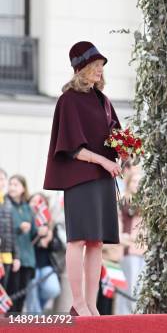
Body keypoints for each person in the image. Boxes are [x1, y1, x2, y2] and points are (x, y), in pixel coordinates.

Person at [43, 41, 122, 316]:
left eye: (101, 66)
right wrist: (103, 160)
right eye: (95, 66)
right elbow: (73, 148)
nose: (100, 70)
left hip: (101, 179)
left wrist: (126, 148)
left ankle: (90, 304)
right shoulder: (69, 101)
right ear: (82, 69)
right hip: (80, 179)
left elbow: (114, 136)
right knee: (78, 239)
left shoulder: (103, 100)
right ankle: (77, 302)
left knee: (96, 241)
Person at [6, 175, 47, 313]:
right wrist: (19, 229)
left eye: (16, 184)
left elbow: (34, 233)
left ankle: (17, 326)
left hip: (28, 259)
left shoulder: (27, 208)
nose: (12, 187)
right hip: (12, 258)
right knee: (11, 296)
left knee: (21, 299)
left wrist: (41, 231)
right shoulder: (5, 205)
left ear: (23, 188)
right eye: (10, 184)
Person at [25, 193, 62, 313]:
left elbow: (57, 246)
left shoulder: (50, 223)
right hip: (30, 264)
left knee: (53, 289)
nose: (36, 205)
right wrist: (36, 235)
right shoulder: (25, 221)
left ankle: (37, 311)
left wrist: (51, 240)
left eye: (40, 202)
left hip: (46, 264)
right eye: (33, 201)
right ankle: (35, 318)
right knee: (33, 286)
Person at [116, 170, 146, 314]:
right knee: (129, 290)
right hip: (129, 250)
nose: (137, 184)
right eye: (134, 181)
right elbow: (123, 219)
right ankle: (123, 322)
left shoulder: (146, 201)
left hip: (144, 251)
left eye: (140, 182)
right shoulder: (125, 200)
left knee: (139, 290)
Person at [0, 168, 18, 289]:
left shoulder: (8, 203)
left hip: (6, 257)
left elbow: (13, 233)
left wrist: (16, 257)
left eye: (1, 179)